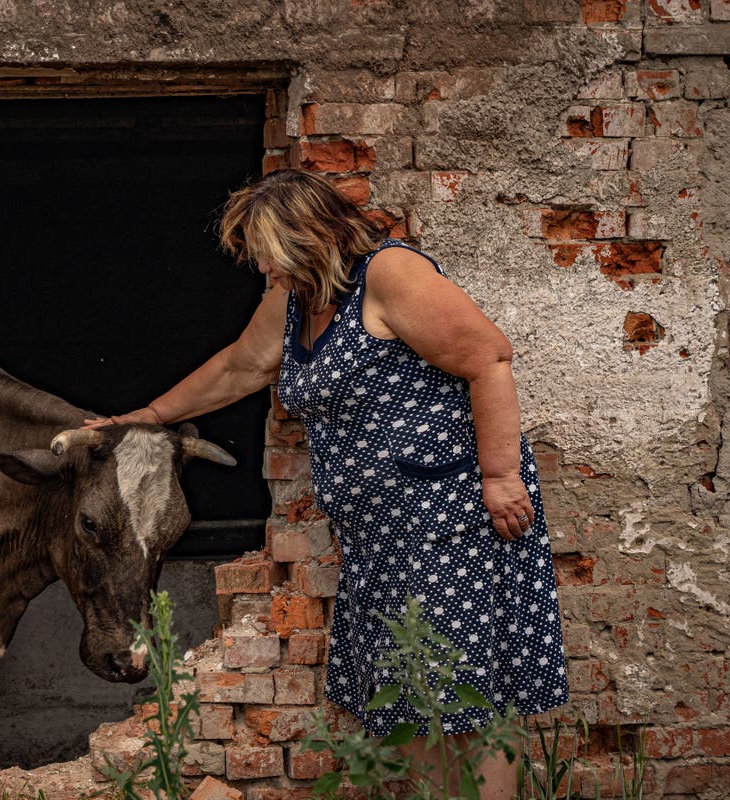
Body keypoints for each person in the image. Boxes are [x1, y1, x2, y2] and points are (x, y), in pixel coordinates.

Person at [89, 169, 568, 798]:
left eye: (261, 247)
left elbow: (489, 358)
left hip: (450, 519)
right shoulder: (293, 299)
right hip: (382, 536)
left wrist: (501, 475)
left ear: (303, 234)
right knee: (412, 692)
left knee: (468, 695)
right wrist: (146, 417)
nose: (257, 263)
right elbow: (239, 367)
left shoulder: (389, 276)